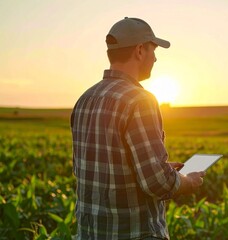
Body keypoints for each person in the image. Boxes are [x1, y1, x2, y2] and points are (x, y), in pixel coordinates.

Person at [70, 17, 205, 240]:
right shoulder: (140, 100)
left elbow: (91, 168)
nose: (156, 58)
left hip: (90, 232)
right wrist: (186, 181)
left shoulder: (85, 99)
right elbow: (155, 182)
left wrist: (160, 167)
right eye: (153, 50)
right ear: (140, 50)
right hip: (134, 232)